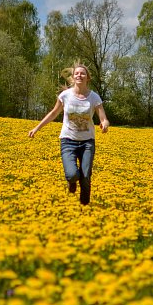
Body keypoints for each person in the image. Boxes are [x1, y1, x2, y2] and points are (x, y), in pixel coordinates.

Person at [28, 62, 109, 205]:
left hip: (87, 142)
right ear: (73, 77)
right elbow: (53, 113)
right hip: (68, 141)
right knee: (72, 175)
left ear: (87, 78)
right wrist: (37, 128)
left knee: (85, 176)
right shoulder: (65, 95)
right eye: (77, 73)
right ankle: (72, 182)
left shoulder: (94, 97)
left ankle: (85, 206)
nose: (79, 75)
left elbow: (104, 118)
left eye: (82, 73)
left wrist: (105, 125)